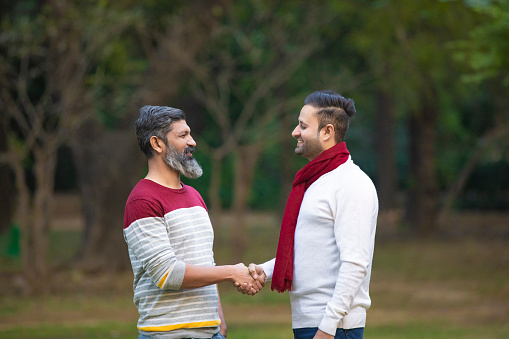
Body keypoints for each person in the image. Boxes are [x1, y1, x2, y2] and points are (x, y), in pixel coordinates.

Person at [240, 90, 378, 339]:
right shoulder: (315, 181)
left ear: (326, 132)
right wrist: (265, 270)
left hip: (335, 328)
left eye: (303, 126)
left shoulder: (351, 183)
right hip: (311, 322)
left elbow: (355, 263)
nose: (295, 132)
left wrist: (327, 328)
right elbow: (309, 251)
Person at [124, 105, 261, 339]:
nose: (193, 141)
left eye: (190, 134)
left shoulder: (194, 196)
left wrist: (220, 321)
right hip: (168, 334)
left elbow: (206, 261)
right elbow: (167, 274)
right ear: (157, 144)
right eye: (183, 135)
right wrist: (231, 272)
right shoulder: (142, 200)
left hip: (210, 332)